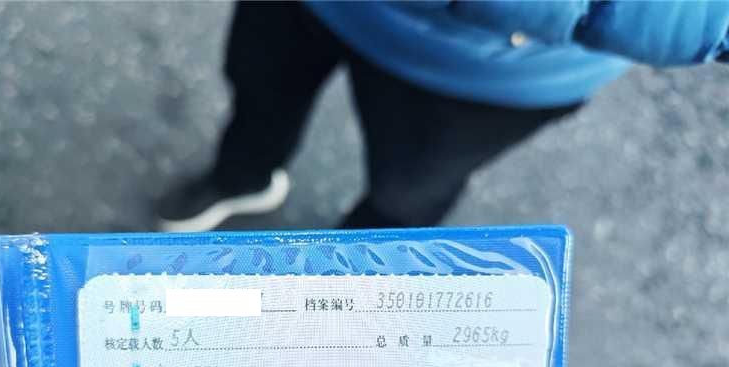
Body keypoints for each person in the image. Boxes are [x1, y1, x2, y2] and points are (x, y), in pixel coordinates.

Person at [155, 1, 729, 231]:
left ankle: (334, 312)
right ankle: (240, 179)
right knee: (258, 90)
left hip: (500, 72)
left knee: (405, 196)